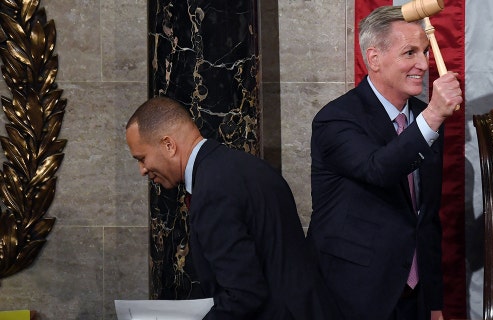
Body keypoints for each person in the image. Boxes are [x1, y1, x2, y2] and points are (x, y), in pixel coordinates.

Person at [307, 5, 462, 320]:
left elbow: (426, 217)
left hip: (414, 298)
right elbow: (378, 169)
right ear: (374, 58)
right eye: (410, 53)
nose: (423, 63)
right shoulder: (335, 119)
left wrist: (433, 303)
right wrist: (434, 115)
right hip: (353, 297)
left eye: (424, 52)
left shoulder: (423, 118)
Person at [125, 96, 340, 320]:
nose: (142, 170)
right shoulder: (244, 166)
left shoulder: (212, 191)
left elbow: (244, 294)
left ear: (168, 145)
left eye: (142, 158)